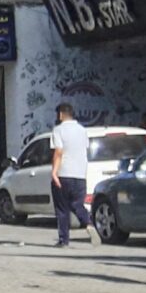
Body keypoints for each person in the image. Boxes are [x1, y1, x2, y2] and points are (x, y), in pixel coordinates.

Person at [49, 103, 95, 248]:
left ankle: (64, 240)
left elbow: (59, 152)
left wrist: (54, 172)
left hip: (64, 173)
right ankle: (88, 223)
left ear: (61, 115)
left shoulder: (58, 130)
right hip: (80, 174)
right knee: (77, 204)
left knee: (62, 209)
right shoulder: (82, 130)